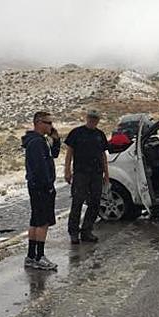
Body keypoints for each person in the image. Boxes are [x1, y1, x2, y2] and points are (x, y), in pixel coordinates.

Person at [64, 109, 109, 244]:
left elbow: (103, 155)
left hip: (96, 173)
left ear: (98, 120)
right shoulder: (76, 133)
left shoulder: (100, 135)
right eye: (90, 118)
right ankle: (73, 232)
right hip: (80, 173)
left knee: (95, 202)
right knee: (77, 202)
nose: (92, 120)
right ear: (86, 118)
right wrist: (67, 170)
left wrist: (106, 173)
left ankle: (87, 231)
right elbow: (69, 152)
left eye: (95, 119)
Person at [22, 111, 60, 270]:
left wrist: (56, 140)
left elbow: (55, 154)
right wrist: (48, 185)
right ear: (38, 122)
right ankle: (39, 256)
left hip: (36, 186)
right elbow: (40, 167)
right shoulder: (37, 143)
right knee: (43, 222)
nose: (51, 126)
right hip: (41, 187)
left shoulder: (39, 141)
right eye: (48, 123)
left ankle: (31, 255)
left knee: (35, 220)